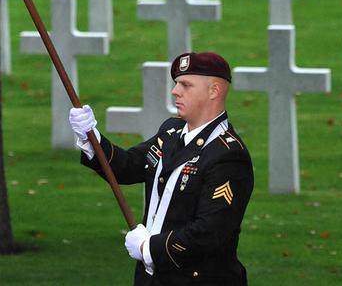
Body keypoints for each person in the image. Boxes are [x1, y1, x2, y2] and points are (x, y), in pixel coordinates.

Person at [69, 51, 253, 285]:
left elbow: (209, 232)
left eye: (186, 85)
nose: (175, 91)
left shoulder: (228, 155)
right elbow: (127, 166)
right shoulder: (171, 132)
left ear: (214, 91)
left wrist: (149, 248)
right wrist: (91, 138)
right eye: (177, 83)